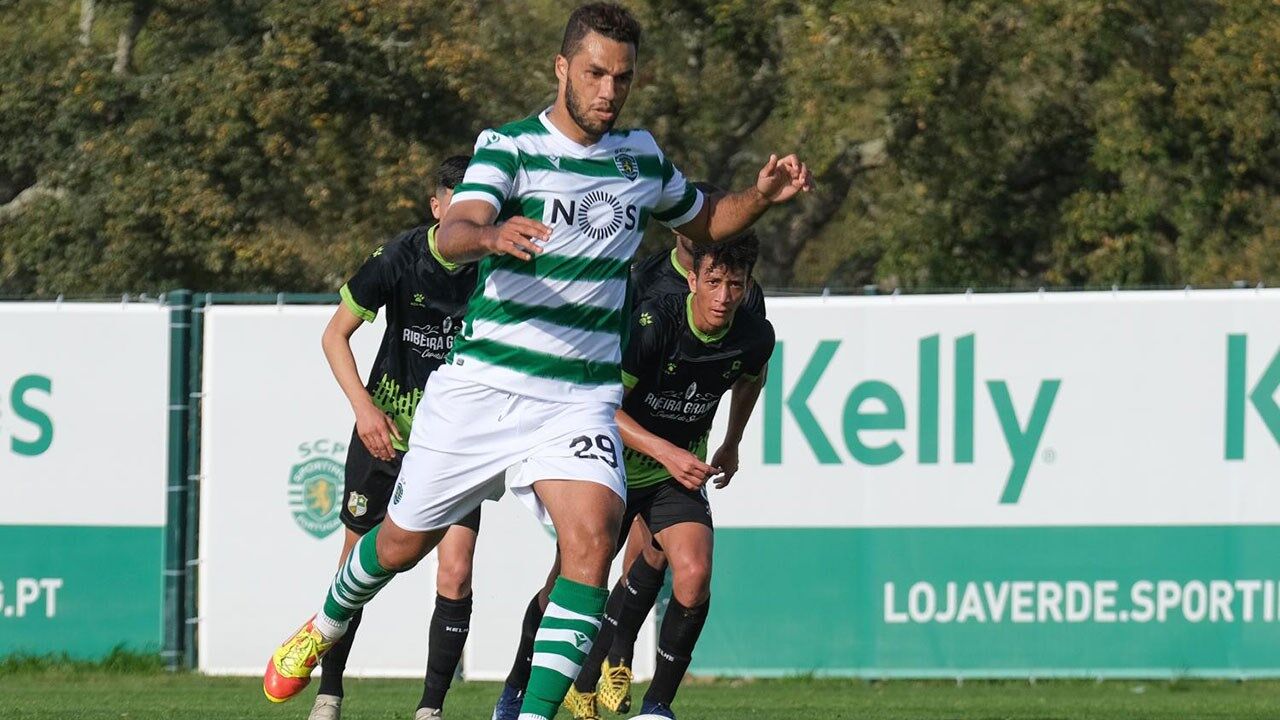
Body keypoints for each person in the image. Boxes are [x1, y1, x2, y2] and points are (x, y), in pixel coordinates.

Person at [263, 5, 811, 720]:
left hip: (577, 400)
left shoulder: (640, 158)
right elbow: (455, 227)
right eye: (594, 74)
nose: (609, 91)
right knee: (399, 544)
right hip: (483, 387)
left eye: (623, 77)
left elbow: (705, 219)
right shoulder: (510, 147)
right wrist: (489, 235)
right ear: (561, 69)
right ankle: (327, 620)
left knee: (590, 543)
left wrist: (760, 198)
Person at [497, 235, 774, 720]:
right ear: (693, 279)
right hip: (612, 466)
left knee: (694, 574)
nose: (724, 296)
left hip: (675, 473)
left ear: (747, 285)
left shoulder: (754, 333)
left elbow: (751, 377)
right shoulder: (653, 324)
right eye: (713, 282)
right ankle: (516, 688)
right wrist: (665, 451)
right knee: (565, 585)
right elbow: (603, 406)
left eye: (735, 284)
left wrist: (732, 441)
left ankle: (656, 708)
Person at [309, 154, 479, 720]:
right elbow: (335, 335)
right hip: (386, 436)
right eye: (456, 201)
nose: (467, 216)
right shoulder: (399, 257)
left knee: (456, 570)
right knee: (355, 564)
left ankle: (430, 709)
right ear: (437, 207)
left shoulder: (498, 269)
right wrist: (364, 410)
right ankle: (329, 693)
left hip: (456, 447)